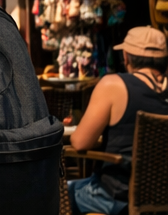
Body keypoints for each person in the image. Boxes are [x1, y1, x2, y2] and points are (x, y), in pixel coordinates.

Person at [67, 26, 168, 214]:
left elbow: (80, 143)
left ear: (127, 56)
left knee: (56, 192)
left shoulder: (114, 85)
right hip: (161, 202)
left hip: (115, 197)